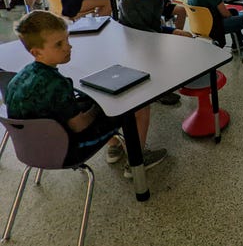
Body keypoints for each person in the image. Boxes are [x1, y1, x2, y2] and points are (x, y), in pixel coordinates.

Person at [5, 10, 166, 175]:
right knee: (137, 105)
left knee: (88, 98)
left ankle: (114, 147)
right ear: (36, 52)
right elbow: (79, 125)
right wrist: (99, 107)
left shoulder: (19, 77)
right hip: (67, 150)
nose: (68, 46)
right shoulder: (57, 84)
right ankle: (136, 163)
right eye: (59, 44)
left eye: (67, 39)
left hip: (32, 147)